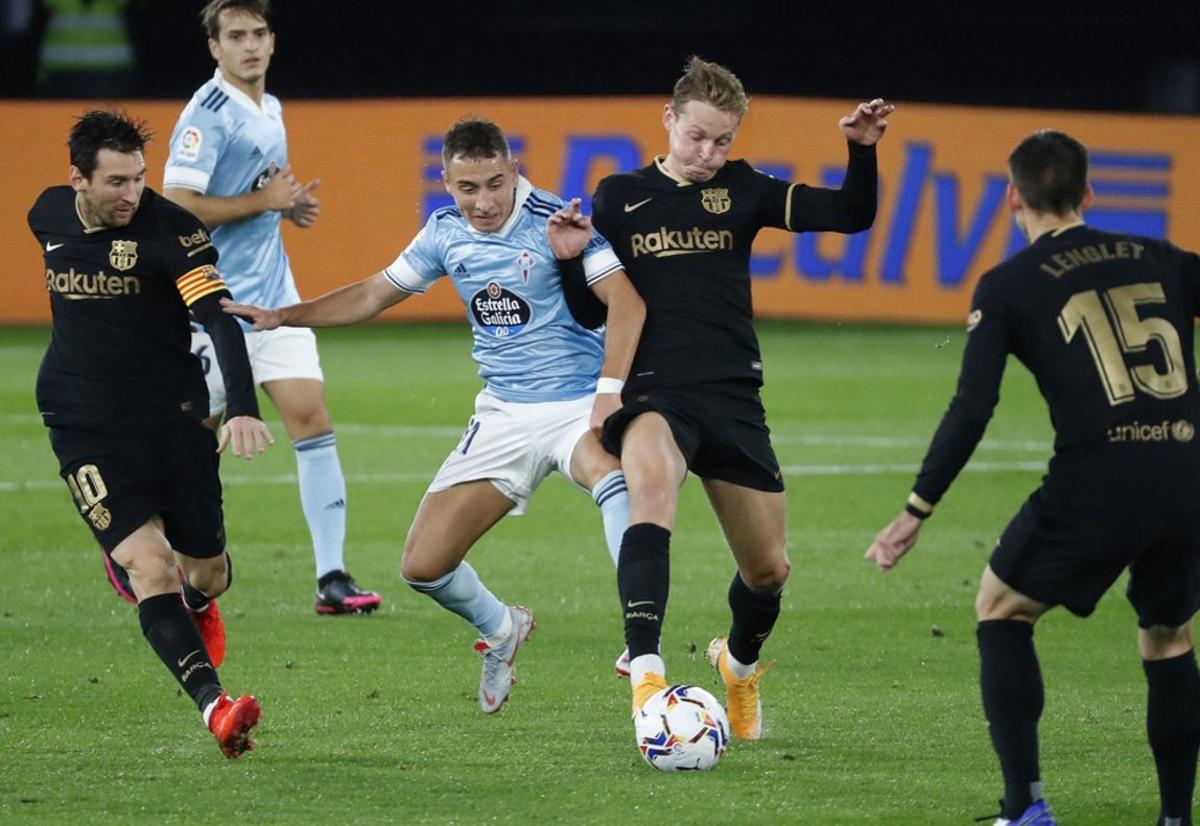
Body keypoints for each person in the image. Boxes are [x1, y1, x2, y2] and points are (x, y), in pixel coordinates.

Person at [224, 117, 646, 713]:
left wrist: (608, 391)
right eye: (467, 188)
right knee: (422, 566)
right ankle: (502, 627)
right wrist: (284, 316)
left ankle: (641, 640)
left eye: (496, 184)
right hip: (502, 412)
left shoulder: (556, 219)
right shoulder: (444, 233)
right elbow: (374, 293)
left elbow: (626, 300)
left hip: (575, 403)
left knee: (611, 477)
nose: (484, 202)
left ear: (514, 171)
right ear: (446, 183)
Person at [866, 130, 1200, 826]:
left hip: (1099, 478)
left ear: (1012, 196)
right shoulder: (1164, 258)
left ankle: (1025, 809)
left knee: (1001, 608)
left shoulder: (1010, 285)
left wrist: (915, 509)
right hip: (1183, 471)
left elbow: (973, 407)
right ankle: (1174, 818)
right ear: (1088, 193)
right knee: (1168, 635)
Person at [583, 56, 892, 739]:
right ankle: (647, 680)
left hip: (732, 399)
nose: (708, 153)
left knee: (768, 571)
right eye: (697, 136)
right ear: (668, 119)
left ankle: (738, 665)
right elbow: (587, 309)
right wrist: (566, 256)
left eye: (723, 140)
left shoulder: (744, 189)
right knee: (653, 495)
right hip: (655, 394)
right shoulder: (618, 197)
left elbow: (849, 214)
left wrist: (860, 153)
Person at [30, 110, 274, 758]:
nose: (132, 194)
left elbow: (220, 323)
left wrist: (244, 407)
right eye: (116, 182)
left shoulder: (173, 230)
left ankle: (198, 599)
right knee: (150, 567)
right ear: (76, 178)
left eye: (139, 179)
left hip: (173, 421)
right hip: (82, 425)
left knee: (210, 573)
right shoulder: (47, 216)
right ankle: (217, 709)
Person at [161, 0, 380, 615]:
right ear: (214, 47)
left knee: (310, 416)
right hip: (210, 304)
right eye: (236, 36)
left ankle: (332, 578)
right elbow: (176, 205)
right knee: (193, 440)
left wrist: (286, 207)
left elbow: (261, 189)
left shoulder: (270, 106)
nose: (249, 45)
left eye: (258, 33)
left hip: (274, 299)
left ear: (273, 40)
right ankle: (154, 547)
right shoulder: (206, 117)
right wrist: (262, 201)